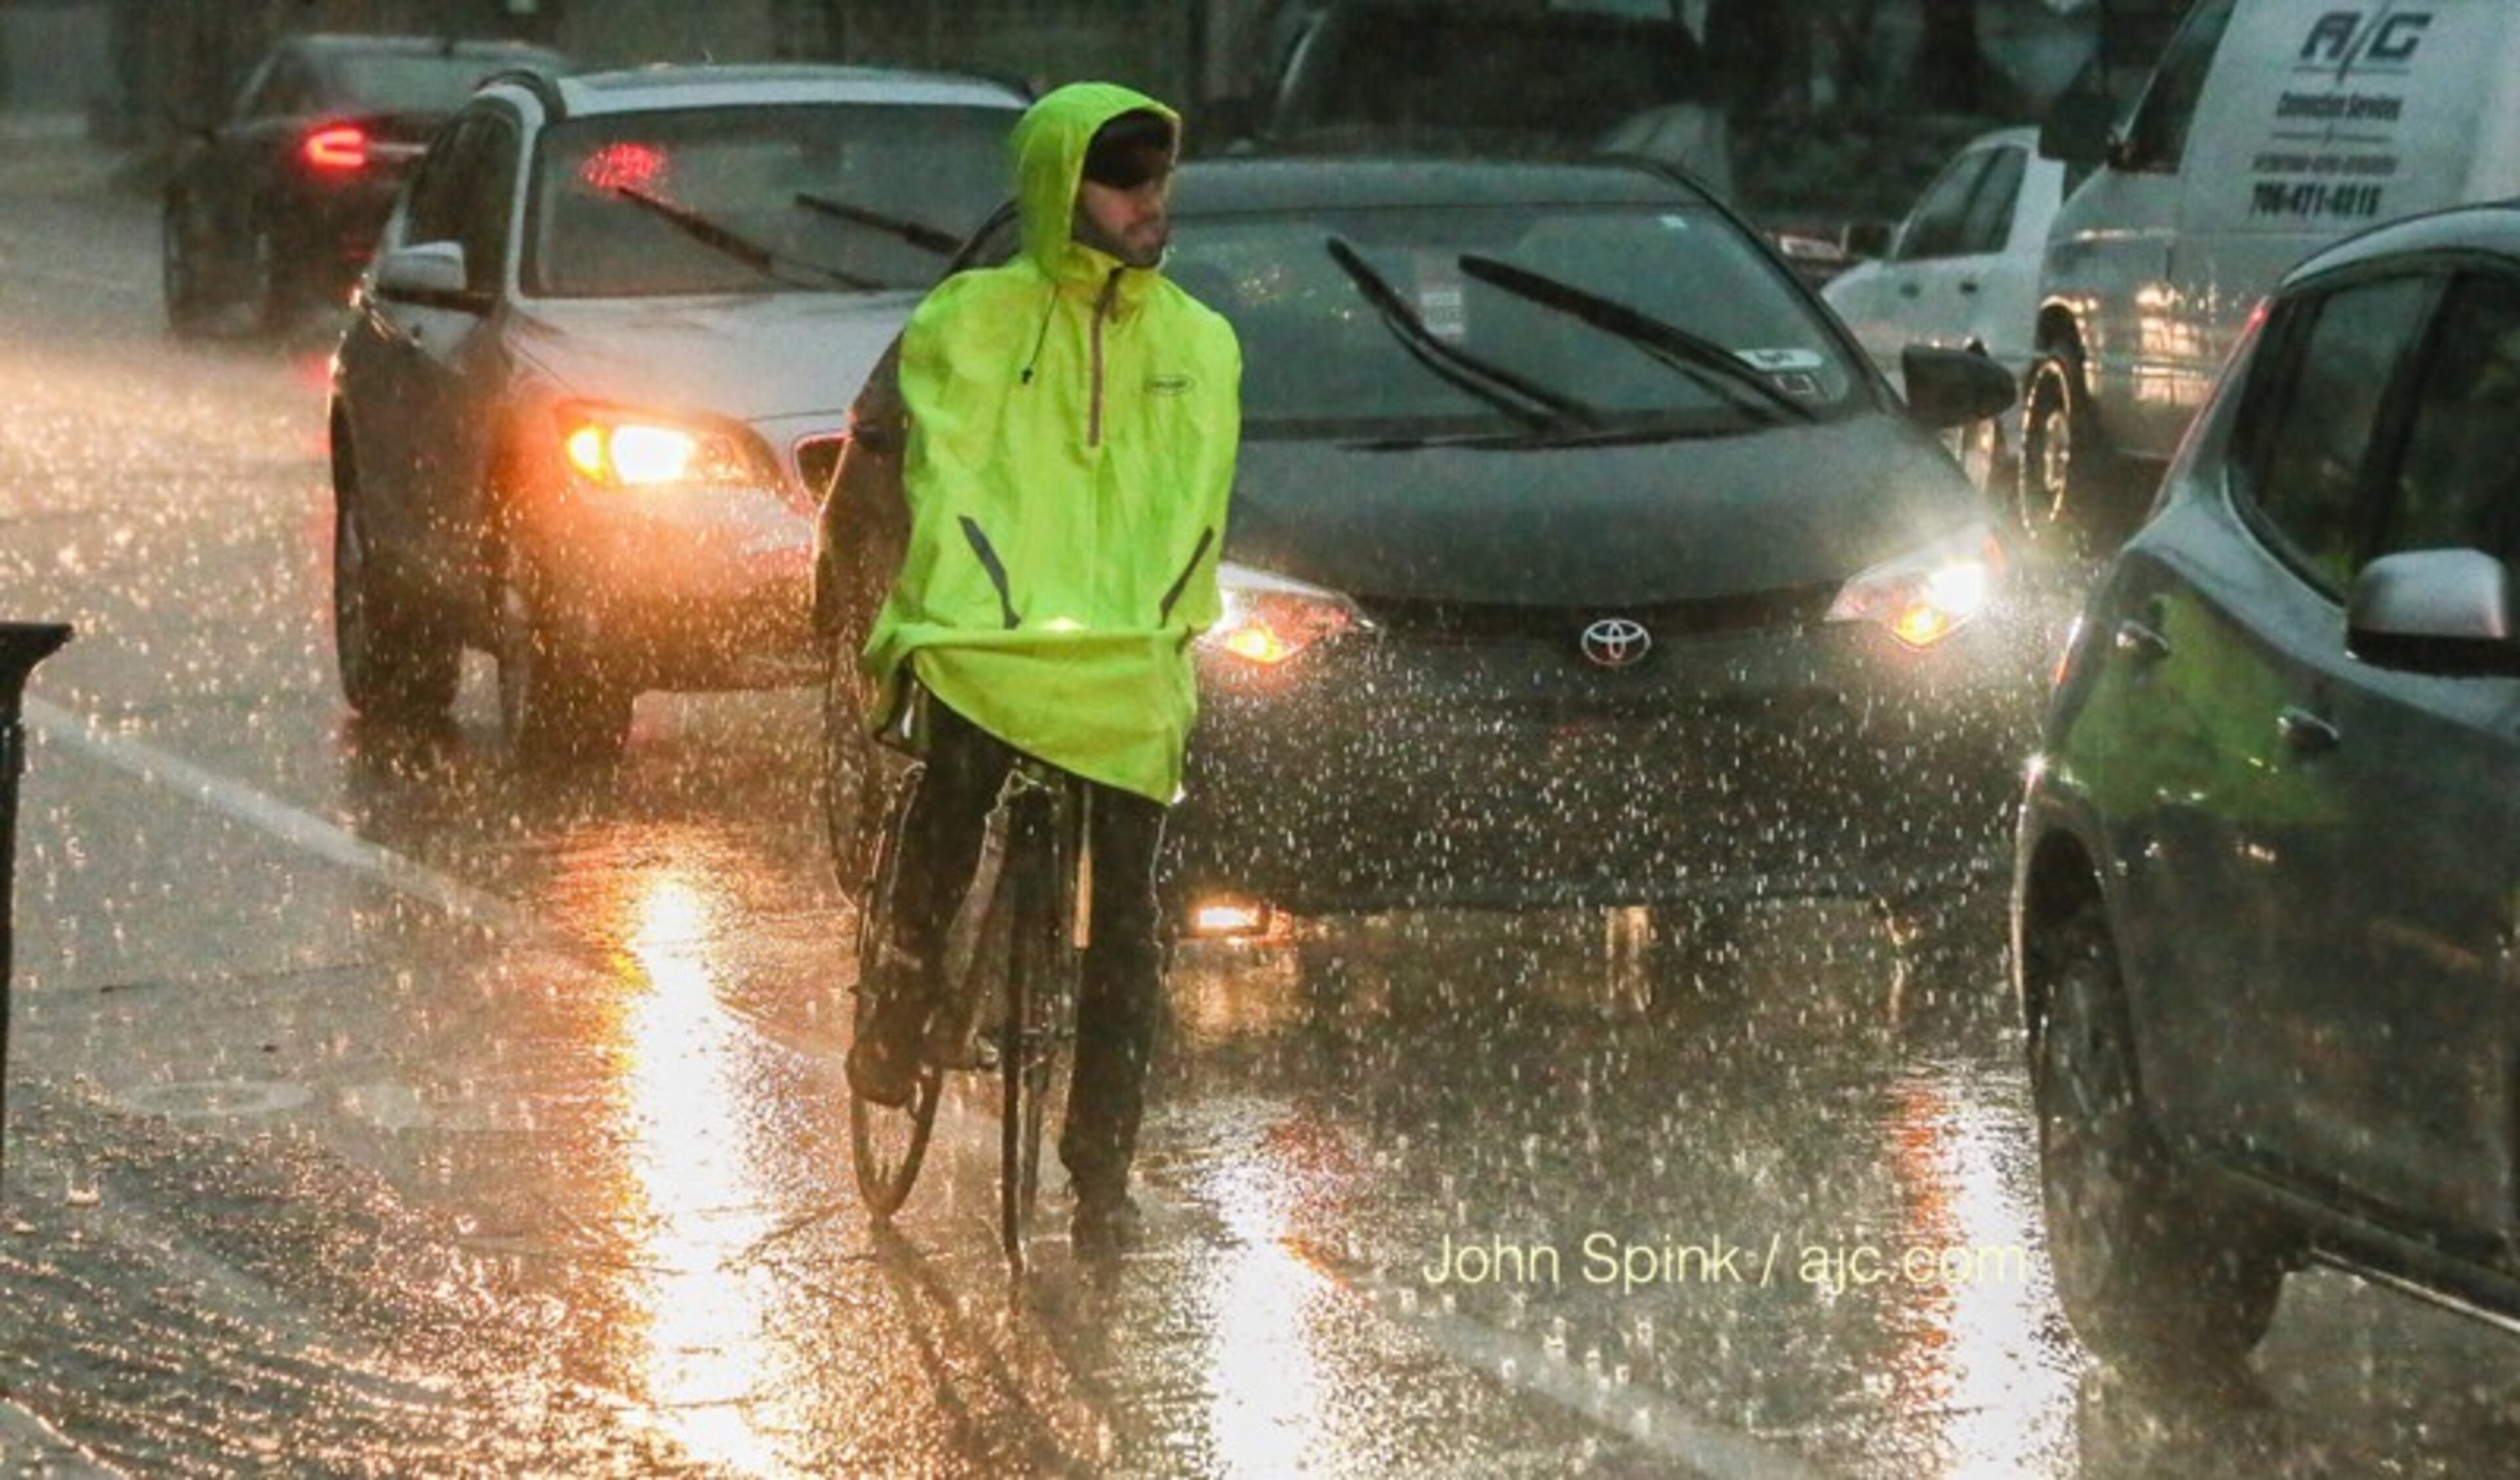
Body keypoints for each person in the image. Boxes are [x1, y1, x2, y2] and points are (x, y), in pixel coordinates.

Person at [841, 83, 1242, 1258]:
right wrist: (967, 604)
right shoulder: (970, 319)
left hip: (1128, 652)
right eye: (1124, 184)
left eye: (1158, 183)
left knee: (1127, 918)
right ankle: (900, 998)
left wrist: (1164, 618)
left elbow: (1195, 507)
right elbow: (951, 473)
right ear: (1063, 191)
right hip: (985, 630)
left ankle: (1100, 1170)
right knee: (953, 781)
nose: (1149, 207)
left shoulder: (1199, 343)